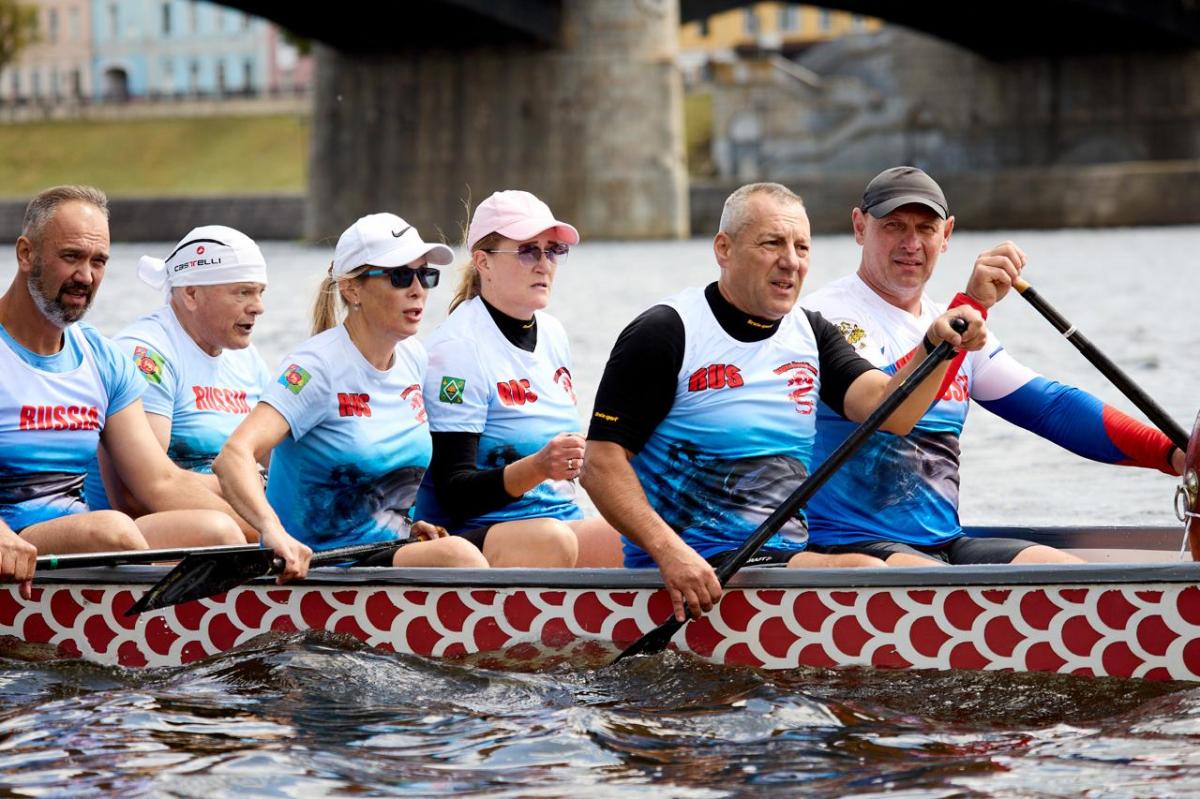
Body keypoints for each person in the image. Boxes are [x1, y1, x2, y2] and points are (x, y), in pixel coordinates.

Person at [582, 182, 987, 622]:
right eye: (772, 243)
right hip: (698, 566)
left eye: (801, 247)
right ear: (724, 249)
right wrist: (670, 552)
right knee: (866, 572)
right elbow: (600, 464)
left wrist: (935, 347)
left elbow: (893, 414)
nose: (791, 261)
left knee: (884, 569)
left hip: (781, 558)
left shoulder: (811, 332)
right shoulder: (666, 332)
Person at [801, 166, 1184, 566]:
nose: (911, 243)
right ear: (860, 227)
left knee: (1062, 568)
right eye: (893, 226)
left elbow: (1054, 409)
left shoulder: (957, 325)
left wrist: (1173, 453)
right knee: (932, 578)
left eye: (926, 229)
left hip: (943, 542)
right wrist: (971, 305)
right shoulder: (825, 317)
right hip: (846, 545)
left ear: (946, 235)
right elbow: (889, 410)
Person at [212, 213, 493, 574]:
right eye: (399, 276)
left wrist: (406, 525)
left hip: (382, 551)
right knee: (459, 556)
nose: (417, 289)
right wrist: (273, 531)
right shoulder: (315, 367)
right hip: (316, 564)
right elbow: (233, 456)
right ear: (352, 289)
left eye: (425, 275)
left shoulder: (413, 358)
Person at [0, 185, 246, 560]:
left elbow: (160, 481)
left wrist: (273, 529)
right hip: (15, 538)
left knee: (219, 531)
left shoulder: (102, 358)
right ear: (26, 254)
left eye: (98, 262)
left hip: (81, 539)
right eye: (71, 256)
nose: (85, 276)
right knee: (113, 529)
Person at [414, 190, 618, 568]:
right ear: (483, 262)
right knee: (552, 540)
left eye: (553, 251)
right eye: (527, 251)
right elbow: (454, 494)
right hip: (477, 534)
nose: (544, 265)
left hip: (559, 524)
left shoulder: (553, 333)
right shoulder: (458, 349)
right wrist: (538, 467)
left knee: (654, 528)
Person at [84, 226, 270, 537]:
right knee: (221, 530)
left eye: (260, 292)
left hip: (227, 522)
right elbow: (136, 498)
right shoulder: (145, 356)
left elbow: (284, 469)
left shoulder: (248, 360)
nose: (258, 306)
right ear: (191, 294)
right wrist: (264, 515)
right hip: (142, 535)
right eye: (243, 292)